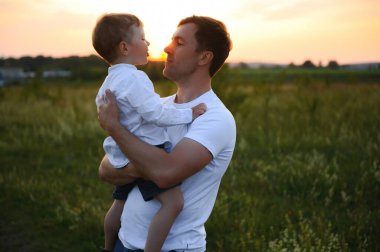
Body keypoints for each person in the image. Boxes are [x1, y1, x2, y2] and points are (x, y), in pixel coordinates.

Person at [97, 15, 236, 252]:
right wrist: (143, 164)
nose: (166, 48)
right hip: (125, 241)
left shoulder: (215, 118)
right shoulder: (158, 107)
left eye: (179, 43)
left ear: (204, 57)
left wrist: (115, 129)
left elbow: (164, 174)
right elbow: (105, 169)